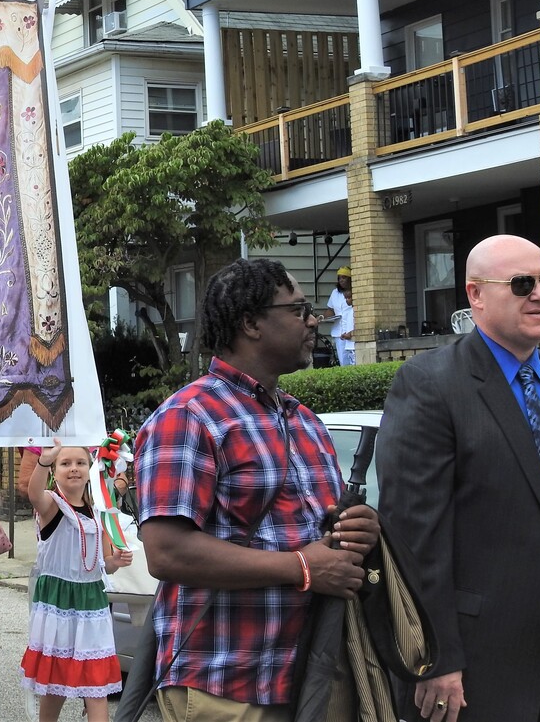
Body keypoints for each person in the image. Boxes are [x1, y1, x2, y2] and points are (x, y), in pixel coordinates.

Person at [134, 257, 378, 720]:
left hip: (315, 677)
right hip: (225, 687)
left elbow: (317, 528)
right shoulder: (189, 416)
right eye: (298, 309)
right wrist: (303, 567)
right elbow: (167, 553)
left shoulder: (303, 420)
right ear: (250, 323)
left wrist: (358, 529)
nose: (313, 320)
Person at [377, 235, 540, 722]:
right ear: (475, 295)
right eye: (521, 283)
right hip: (480, 664)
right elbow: (412, 533)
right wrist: (435, 657)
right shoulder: (431, 384)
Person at [21, 442, 130, 721]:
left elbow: (106, 564)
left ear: (90, 468)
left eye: (80, 463)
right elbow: (34, 494)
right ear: (55, 471)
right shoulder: (51, 505)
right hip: (58, 602)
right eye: (65, 463)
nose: (73, 469)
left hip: (91, 604)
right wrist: (43, 461)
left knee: (95, 684)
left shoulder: (100, 512)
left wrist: (117, 560)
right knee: (54, 680)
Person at [327, 265, 354, 366]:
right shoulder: (335, 293)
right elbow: (330, 310)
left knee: (353, 360)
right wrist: (321, 317)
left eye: (344, 277)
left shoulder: (356, 291)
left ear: (350, 279)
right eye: (339, 278)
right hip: (339, 332)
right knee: (343, 361)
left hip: (351, 329)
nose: (341, 280)